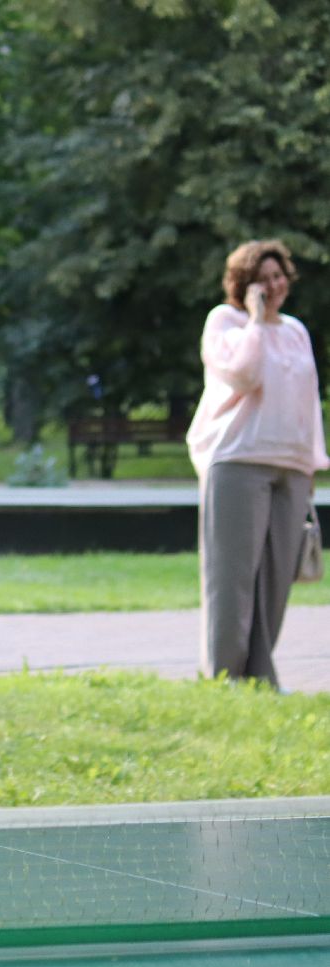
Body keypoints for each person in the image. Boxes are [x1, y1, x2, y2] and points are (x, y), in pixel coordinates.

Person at [186, 238, 328, 686]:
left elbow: (308, 401)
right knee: (232, 576)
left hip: (291, 464)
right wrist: (255, 319)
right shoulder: (226, 323)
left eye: (278, 275)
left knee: (277, 577)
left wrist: (312, 463)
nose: (274, 285)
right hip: (238, 460)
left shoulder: (296, 330)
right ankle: (225, 673)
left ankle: (260, 674)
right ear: (244, 286)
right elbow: (244, 375)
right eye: (262, 279)